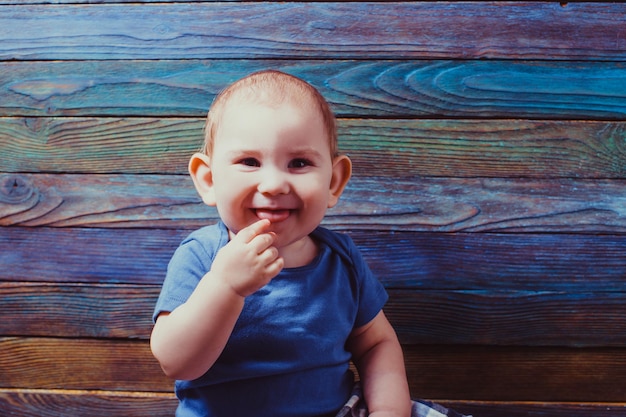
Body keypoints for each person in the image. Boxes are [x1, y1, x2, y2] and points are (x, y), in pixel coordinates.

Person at [150, 70, 468, 417]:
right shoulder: (203, 256)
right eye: (249, 162)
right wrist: (225, 287)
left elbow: (376, 343)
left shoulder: (340, 260)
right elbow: (176, 362)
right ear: (209, 180)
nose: (273, 184)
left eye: (299, 163)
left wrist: (388, 411)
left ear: (333, 181)